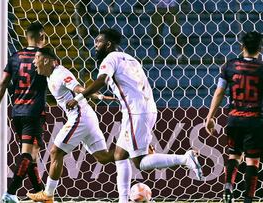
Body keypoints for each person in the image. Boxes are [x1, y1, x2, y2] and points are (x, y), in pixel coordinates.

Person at [66, 28, 203, 203]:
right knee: (119, 155)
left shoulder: (110, 59)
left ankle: (184, 158)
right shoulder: (131, 59)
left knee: (140, 162)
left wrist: (78, 98)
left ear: (108, 44)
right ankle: (123, 200)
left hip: (135, 112)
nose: (95, 45)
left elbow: (101, 80)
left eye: (99, 42)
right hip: (144, 109)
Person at [26, 47, 116, 203]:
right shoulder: (50, 76)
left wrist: (95, 95)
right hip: (87, 117)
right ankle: (135, 149)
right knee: (103, 157)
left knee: (56, 151)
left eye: (37, 58)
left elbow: (78, 88)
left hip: (80, 117)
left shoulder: (61, 74)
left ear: (46, 60)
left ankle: (48, 195)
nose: (34, 62)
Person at [205, 31, 263, 203]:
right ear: (260, 48)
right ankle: (248, 199)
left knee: (234, 156)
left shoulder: (229, 65)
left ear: (241, 46)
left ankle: (228, 188)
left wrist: (210, 117)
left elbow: (219, 92)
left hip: (234, 119)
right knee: (253, 161)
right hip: (255, 120)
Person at [0, 22, 47, 203]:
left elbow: (1, 84)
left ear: (26, 36)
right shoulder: (44, 57)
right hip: (34, 112)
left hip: (16, 112)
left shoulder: (14, 57)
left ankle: (42, 193)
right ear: (42, 36)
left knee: (32, 156)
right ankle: (10, 193)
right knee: (28, 154)